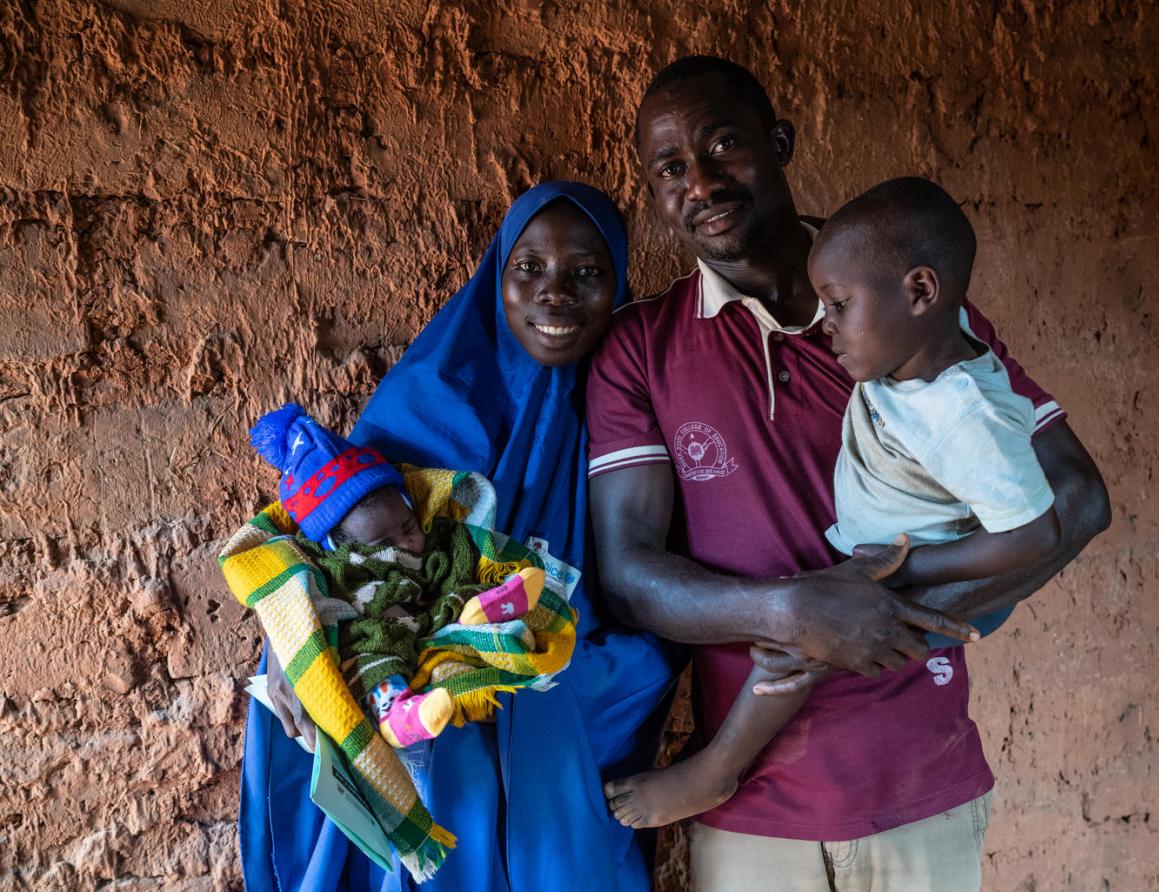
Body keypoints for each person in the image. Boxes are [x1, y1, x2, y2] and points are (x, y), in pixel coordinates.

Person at [590, 56, 1111, 890]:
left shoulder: (910, 317)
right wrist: (792, 611)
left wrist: (886, 619)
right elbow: (628, 575)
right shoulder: (641, 351)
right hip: (752, 811)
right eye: (670, 169)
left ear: (780, 143)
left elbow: (1079, 502)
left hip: (916, 785)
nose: (702, 182)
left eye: (724, 145)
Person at [239, 181, 681, 891]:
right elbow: (329, 540)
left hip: (554, 717)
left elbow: (652, 582)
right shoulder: (432, 392)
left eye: (588, 274)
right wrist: (298, 645)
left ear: (619, 283)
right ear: (496, 275)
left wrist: (569, 678)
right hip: (432, 741)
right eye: (529, 268)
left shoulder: (629, 408)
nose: (555, 295)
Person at [604, 174, 1063, 828]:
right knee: (803, 617)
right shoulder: (909, 361)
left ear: (921, 291)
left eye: (840, 306)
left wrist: (899, 570)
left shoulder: (957, 404)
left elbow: (1037, 533)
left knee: (798, 640)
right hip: (900, 555)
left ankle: (715, 769)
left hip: (930, 567)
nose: (829, 327)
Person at [247, 402, 556, 750]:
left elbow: (454, 558)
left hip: (439, 617)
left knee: (458, 576)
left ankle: (494, 605)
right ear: (343, 546)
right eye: (384, 543)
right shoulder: (339, 568)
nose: (408, 542)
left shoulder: (431, 537)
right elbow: (305, 593)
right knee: (371, 657)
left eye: (408, 525)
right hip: (376, 632)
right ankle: (398, 714)